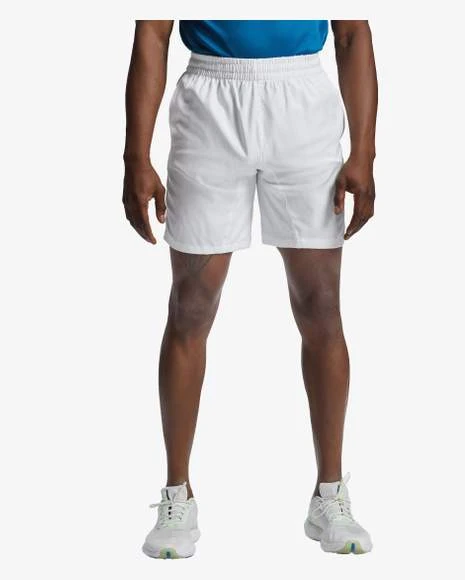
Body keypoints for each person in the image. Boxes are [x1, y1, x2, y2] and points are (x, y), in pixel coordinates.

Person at [123, 20, 378, 559]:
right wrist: (135, 156)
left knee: (321, 307)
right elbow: (152, 32)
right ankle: (177, 496)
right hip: (210, 100)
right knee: (191, 306)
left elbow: (352, 33)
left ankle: (329, 494)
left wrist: (364, 152)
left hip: (300, 101)